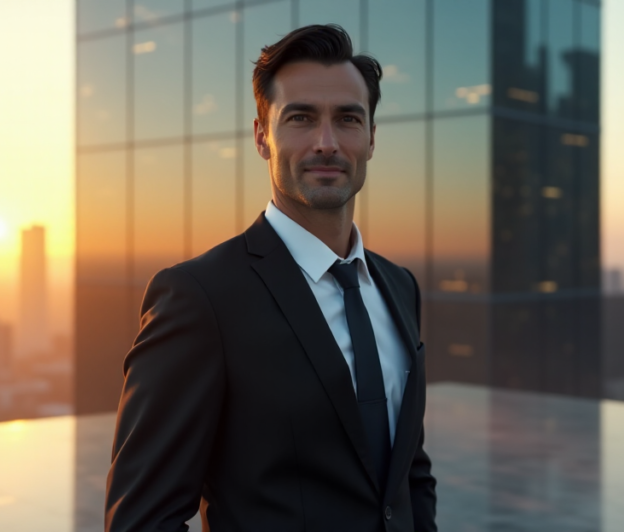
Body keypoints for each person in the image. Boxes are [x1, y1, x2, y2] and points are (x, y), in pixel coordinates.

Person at [104, 24, 437, 532]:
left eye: (348, 119)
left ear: (371, 138)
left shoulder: (398, 286)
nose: (326, 143)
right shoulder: (200, 298)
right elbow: (142, 519)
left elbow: (408, 472)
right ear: (262, 136)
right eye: (301, 118)